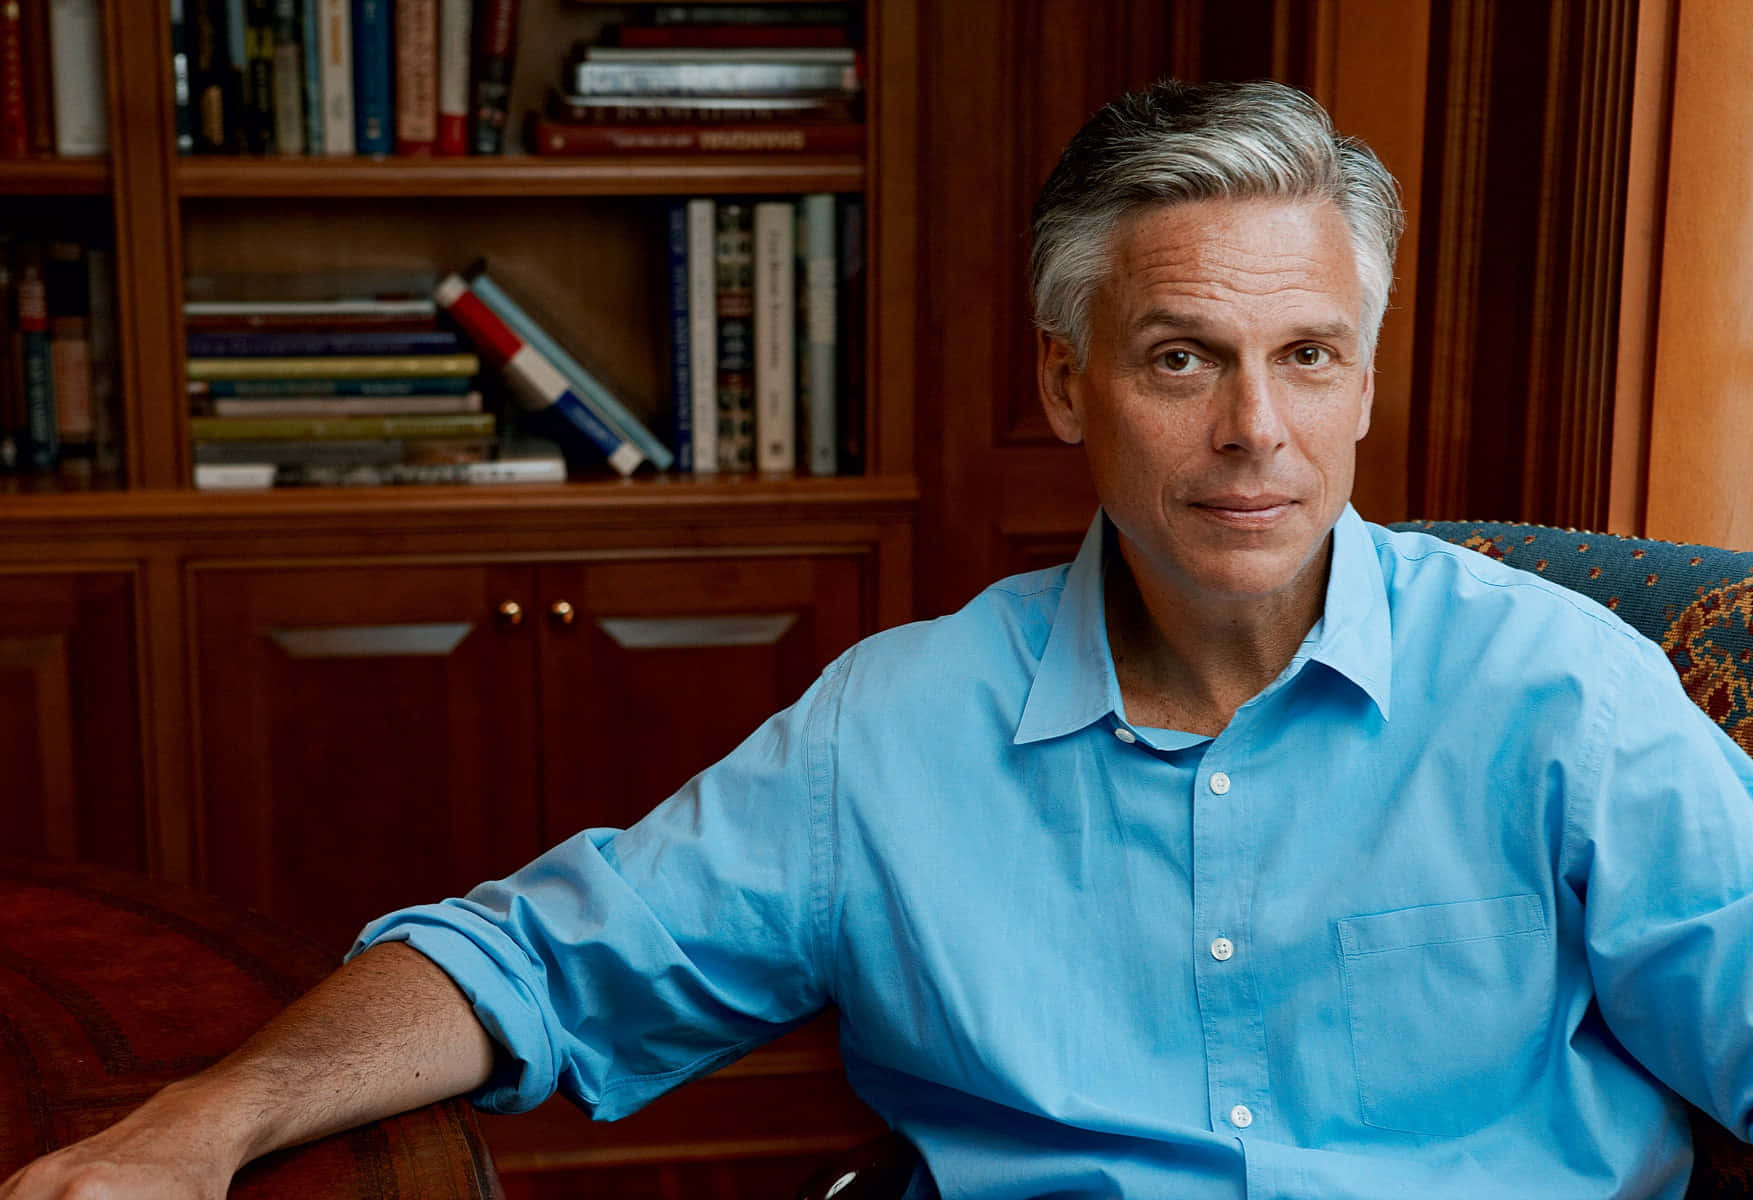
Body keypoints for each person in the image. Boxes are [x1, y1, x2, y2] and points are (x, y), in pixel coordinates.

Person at [8, 78, 1753, 1200]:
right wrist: (203, 1124)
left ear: (1362, 381)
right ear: (1065, 383)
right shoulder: (895, 731)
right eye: (1176, 359)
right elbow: (532, 963)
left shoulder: (1560, 695)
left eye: (1305, 356)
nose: (1253, 431)